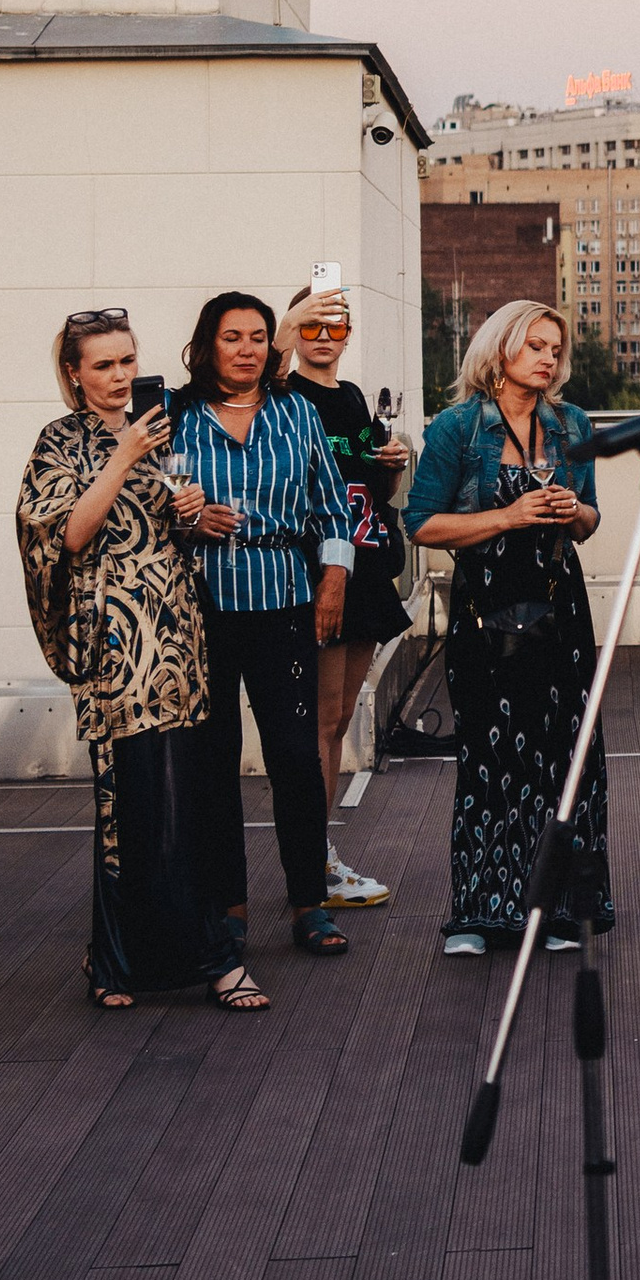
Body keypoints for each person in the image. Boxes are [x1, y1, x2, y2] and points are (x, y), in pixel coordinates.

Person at [16, 310, 265, 1012]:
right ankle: (117, 962)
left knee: (192, 797)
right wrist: (125, 455)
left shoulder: (161, 431)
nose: (121, 376)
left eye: (127, 361)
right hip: (114, 642)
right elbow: (66, 535)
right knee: (131, 801)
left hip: (176, 634)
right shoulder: (60, 442)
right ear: (74, 374)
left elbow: (169, 529)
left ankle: (215, 957)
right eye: (103, 365)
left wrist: (188, 510)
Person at [406, 301, 611, 957]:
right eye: (535, 346)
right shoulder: (457, 427)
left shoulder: (572, 422)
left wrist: (571, 508)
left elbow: (590, 521)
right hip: (485, 606)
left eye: (555, 348)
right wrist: (508, 517)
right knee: (491, 758)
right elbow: (423, 524)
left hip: (559, 602)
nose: (549, 359)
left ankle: (557, 910)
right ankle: (481, 913)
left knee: (566, 757)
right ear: (500, 351)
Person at [173, 292, 359, 958]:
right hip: (202, 609)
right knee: (214, 762)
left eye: (258, 337)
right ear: (207, 346)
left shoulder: (297, 413)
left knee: (294, 757)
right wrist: (188, 521)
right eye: (233, 337)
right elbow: (150, 506)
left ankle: (310, 903)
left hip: (284, 599)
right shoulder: (176, 418)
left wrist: (332, 581)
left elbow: (333, 510)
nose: (247, 348)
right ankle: (229, 907)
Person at [273, 283, 410, 908]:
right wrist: (285, 326)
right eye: (313, 327)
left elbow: (370, 488)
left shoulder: (352, 397)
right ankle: (316, 861)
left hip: (364, 566)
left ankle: (319, 854)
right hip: (319, 571)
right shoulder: (283, 394)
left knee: (341, 722)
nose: (325, 338)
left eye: (337, 327)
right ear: (295, 331)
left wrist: (392, 461)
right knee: (322, 724)